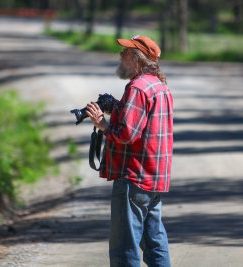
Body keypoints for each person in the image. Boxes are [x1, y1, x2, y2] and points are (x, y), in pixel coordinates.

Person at [86, 35, 173, 267]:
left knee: (124, 249)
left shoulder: (136, 87)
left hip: (133, 178)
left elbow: (126, 134)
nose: (120, 56)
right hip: (153, 179)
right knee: (155, 244)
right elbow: (142, 124)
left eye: (125, 52)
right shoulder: (158, 86)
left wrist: (101, 124)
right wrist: (116, 106)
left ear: (137, 58)